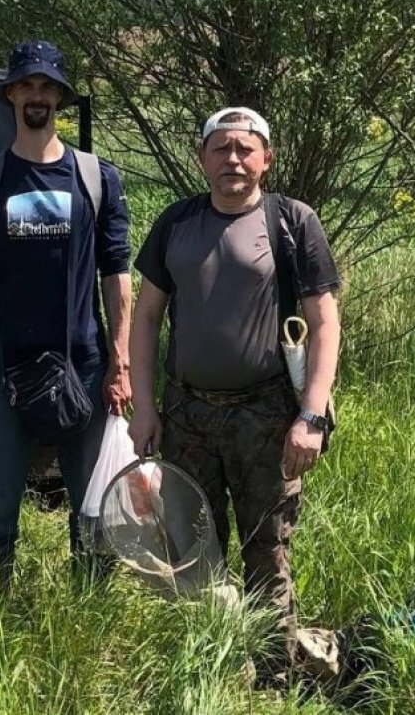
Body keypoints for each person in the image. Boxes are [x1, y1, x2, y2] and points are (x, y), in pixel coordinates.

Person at [127, 106, 341, 685]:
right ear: (202, 159)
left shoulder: (293, 221)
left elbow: (324, 323)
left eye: (246, 149)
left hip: (266, 416)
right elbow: (145, 318)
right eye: (220, 149)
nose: (233, 160)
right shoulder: (175, 224)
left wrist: (311, 415)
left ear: (266, 159)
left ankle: (273, 675)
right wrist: (144, 406)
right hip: (186, 414)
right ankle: (216, 668)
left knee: (266, 549)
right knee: (194, 546)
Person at [0, 40, 132, 581]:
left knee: (91, 509)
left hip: (83, 367)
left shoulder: (96, 178)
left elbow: (117, 273)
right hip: (9, 371)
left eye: (47, 86)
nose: (37, 95)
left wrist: (120, 360)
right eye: (27, 85)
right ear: (12, 96)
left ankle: (89, 617)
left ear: (60, 99)